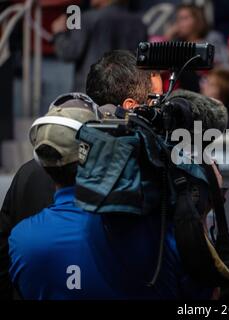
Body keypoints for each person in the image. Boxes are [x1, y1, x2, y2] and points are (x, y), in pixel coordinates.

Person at [7, 97, 214, 299]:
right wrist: (200, 215)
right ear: (98, 149)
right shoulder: (155, 231)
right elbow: (206, 292)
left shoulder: (23, 240)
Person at [0, 50, 162, 300]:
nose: (160, 112)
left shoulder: (28, 173)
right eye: (155, 102)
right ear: (131, 107)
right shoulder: (144, 180)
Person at [51, 0, 147, 91]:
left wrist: (59, 33)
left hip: (91, 89)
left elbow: (69, 53)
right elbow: (141, 58)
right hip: (125, 89)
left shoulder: (87, 18)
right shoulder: (138, 22)